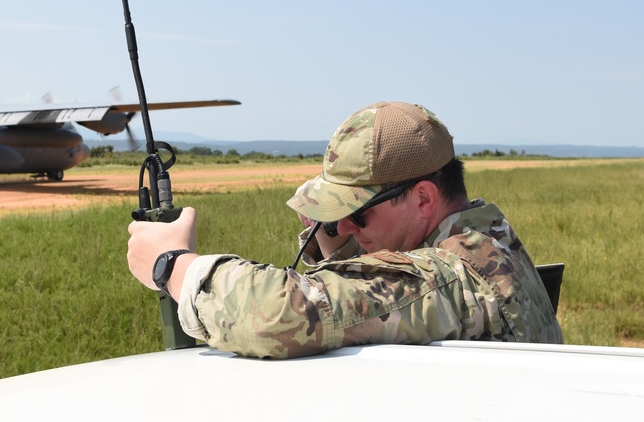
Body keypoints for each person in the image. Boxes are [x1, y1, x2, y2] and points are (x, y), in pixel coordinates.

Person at [126, 101, 563, 358]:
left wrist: (172, 265)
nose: (346, 226)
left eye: (359, 212)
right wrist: (335, 238)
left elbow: (281, 314)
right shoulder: (487, 234)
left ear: (425, 199)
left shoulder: (454, 275)